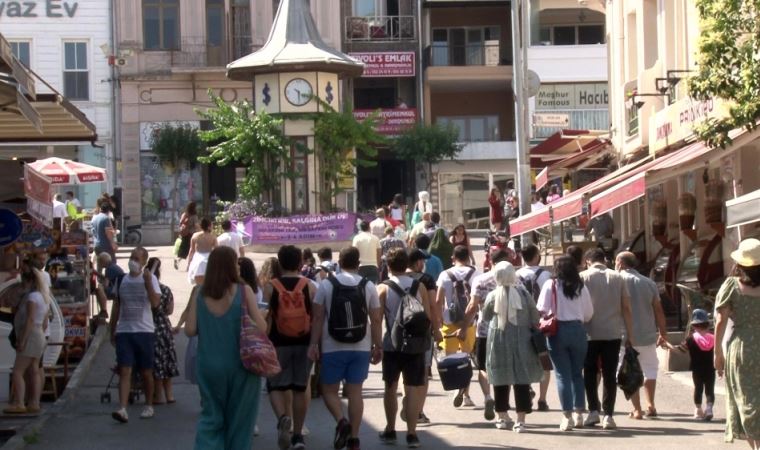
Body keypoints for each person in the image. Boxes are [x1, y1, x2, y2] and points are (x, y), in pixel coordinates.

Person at [185, 246, 267, 449]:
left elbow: (190, 329)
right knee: (241, 420)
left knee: (211, 417)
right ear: (232, 266)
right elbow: (262, 327)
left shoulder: (199, 292)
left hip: (209, 365)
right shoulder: (243, 290)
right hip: (242, 365)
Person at [308, 247, 383, 450]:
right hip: (361, 345)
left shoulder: (326, 285)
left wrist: (313, 344)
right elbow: (376, 319)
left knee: (329, 390)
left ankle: (342, 421)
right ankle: (354, 439)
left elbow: (317, 317)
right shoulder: (368, 286)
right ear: (358, 264)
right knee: (355, 391)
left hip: (332, 345)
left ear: (339, 263)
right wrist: (378, 345)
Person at [262, 245, 317, 450]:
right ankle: (297, 435)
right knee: (300, 388)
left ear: (279, 262)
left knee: (275, 385)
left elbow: (265, 316)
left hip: (278, 343)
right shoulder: (309, 286)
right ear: (300, 263)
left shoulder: (270, 287)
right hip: (303, 342)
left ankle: (283, 417)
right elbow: (317, 315)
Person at [377, 248, 432, 448]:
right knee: (412, 389)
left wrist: (376, 344)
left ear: (388, 266)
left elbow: (376, 319)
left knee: (390, 387)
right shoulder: (419, 286)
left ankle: (391, 429)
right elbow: (427, 315)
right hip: (416, 344)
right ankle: (412, 433)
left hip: (392, 344)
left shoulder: (382, 288)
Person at [481, 261, 543, 432]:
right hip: (522, 340)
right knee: (521, 379)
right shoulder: (523, 293)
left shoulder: (493, 295)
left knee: (500, 378)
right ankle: (520, 420)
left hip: (498, 340)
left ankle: (501, 417)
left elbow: (486, 316)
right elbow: (535, 317)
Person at [537, 256, 593, 431]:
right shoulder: (581, 286)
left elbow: (542, 309)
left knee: (562, 375)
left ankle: (566, 416)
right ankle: (579, 414)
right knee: (577, 373)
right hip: (578, 330)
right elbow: (589, 313)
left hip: (557, 331)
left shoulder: (551, 285)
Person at [580, 248, 634, 429]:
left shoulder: (583, 277)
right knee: (610, 374)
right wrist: (630, 334)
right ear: (605, 260)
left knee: (589, 372)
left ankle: (593, 411)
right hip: (613, 332)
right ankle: (608, 415)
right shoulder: (618, 277)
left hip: (589, 333)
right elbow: (626, 307)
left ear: (588, 261)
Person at [714, 238, 760, 448]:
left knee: (746, 398)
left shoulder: (732, 285)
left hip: (742, 347)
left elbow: (720, 321)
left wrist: (717, 354)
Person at [110, 247, 161, 423]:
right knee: (124, 370)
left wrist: (147, 283)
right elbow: (116, 306)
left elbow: (155, 303)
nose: (133, 261)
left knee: (146, 371)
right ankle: (122, 408)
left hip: (144, 331)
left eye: (137, 258)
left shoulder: (151, 279)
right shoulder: (121, 279)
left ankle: (149, 404)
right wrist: (112, 330)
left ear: (144, 262)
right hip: (125, 330)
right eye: (132, 257)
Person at [615, 251, 667, 420]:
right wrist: (663, 333)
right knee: (650, 368)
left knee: (629, 372)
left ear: (621, 263)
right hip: (647, 334)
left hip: (625, 336)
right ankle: (650, 404)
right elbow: (658, 310)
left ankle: (637, 409)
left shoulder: (616, 281)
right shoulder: (648, 283)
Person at [464, 249, 513, 423]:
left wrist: (464, 327)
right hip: (508, 332)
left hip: (484, 332)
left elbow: (472, 306)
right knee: (504, 371)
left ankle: (487, 397)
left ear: (491, 262)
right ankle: (503, 413)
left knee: (484, 368)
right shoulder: (514, 279)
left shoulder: (480, 280)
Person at [3, 260, 51, 415]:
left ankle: (19, 403)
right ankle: (34, 402)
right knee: (34, 370)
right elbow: (44, 321)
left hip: (30, 335)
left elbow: (30, 319)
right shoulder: (43, 297)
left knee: (18, 371)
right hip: (39, 336)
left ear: (29, 281)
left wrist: (22, 340)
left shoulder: (31, 298)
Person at [436, 245, 481, 408]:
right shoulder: (476, 273)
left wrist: (438, 319)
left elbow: (438, 300)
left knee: (451, 357)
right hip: (469, 322)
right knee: (466, 358)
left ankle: (456, 386)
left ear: (453, 258)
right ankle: (466, 394)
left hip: (449, 321)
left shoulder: (444, 275)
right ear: (468, 257)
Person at [405, 249, 442, 425]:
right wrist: (437, 328)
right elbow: (433, 307)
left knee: (404, 372)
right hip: (422, 331)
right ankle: (418, 410)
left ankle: (408, 403)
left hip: (400, 332)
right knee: (423, 372)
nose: (424, 264)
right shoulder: (426, 280)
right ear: (418, 262)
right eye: (422, 261)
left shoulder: (394, 279)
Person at [515, 243, 553, 411]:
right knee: (544, 361)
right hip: (542, 322)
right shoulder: (546, 275)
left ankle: (528, 388)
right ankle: (542, 399)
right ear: (537, 256)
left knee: (525, 358)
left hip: (522, 322)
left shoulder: (516, 275)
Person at [663, 308, 715, 421]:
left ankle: (698, 410)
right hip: (711, 368)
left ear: (694, 325)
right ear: (706, 323)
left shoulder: (690, 339)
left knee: (698, 388)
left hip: (697, 368)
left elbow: (679, 351)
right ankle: (709, 408)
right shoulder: (713, 338)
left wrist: (668, 345)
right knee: (710, 388)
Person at [143, 257, 179, 405]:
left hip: (148, 325)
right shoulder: (165, 289)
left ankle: (158, 395)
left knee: (155, 362)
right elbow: (170, 310)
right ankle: (169, 394)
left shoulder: (145, 288)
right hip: (164, 326)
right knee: (166, 360)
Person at [187, 218, 217, 285]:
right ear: (209, 226)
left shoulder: (195, 235)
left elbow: (192, 250)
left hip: (198, 258)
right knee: (210, 280)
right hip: (209, 258)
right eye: (212, 225)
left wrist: (189, 262)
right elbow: (216, 250)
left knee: (198, 281)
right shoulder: (212, 237)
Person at [175, 202, 199, 270]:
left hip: (184, 233)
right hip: (191, 234)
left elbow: (180, 223)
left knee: (184, 248)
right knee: (192, 250)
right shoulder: (194, 216)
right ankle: (189, 266)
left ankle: (178, 259)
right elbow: (196, 225)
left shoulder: (184, 214)